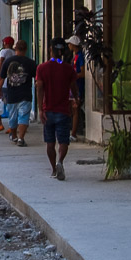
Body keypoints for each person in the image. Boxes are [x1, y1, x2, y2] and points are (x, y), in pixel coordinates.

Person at [36, 39, 78, 179]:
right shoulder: (68, 68)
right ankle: (60, 161)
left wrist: (40, 109)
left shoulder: (42, 68)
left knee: (50, 142)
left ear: (50, 50)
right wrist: (76, 99)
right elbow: (73, 87)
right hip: (63, 111)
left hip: (48, 110)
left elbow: (40, 87)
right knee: (63, 141)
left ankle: (54, 169)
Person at [0, 40, 37, 147]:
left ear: (15, 49)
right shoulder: (31, 63)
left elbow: (1, 78)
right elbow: (38, 79)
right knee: (23, 116)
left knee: (13, 117)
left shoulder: (8, 61)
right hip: (25, 94)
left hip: (12, 94)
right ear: (26, 49)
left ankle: (14, 136)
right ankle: (21, 138)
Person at [66, 35, 86, 136]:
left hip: (78, 86)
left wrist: (73, 76)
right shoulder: (75, 56)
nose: (68, 46)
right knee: (72, 109)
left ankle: (74, 132)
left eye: (70, 44)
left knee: (75, 109)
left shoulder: (80, 56)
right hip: (74, 86)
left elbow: (83, 73)